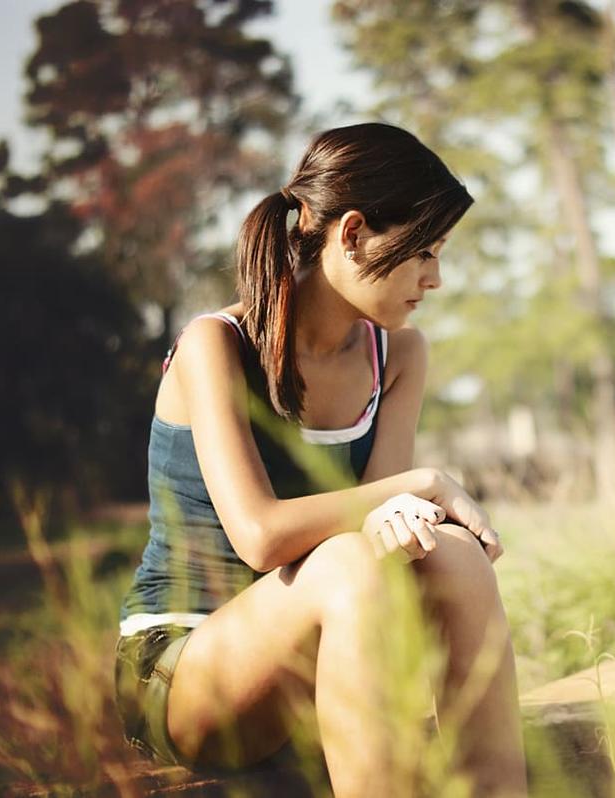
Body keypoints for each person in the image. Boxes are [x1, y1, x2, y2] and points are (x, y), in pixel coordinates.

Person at [113, 123, 527, 797]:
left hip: (329, 649)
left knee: (454, 555)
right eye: (424, 251)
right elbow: (260, 537)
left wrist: (420, 520)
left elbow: (384, 532)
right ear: (354, 232)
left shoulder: (399, 356)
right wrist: (423, 482)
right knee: (346, 562)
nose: (437, 279)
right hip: (189, 671)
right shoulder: (214, 347)